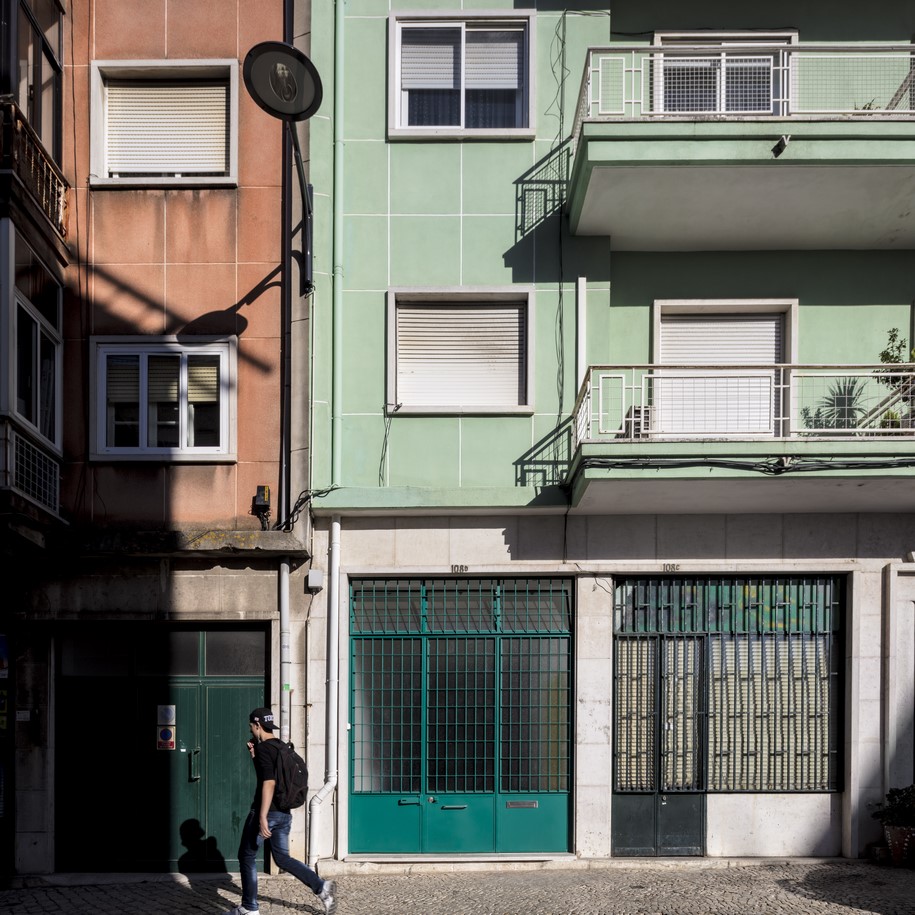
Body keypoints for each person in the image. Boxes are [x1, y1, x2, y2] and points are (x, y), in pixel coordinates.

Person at [224, 707, 336, 915]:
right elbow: (270, 774)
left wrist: (262, 816)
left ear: (258, 725)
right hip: (284, 813)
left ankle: (249, 908)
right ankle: (322, 888)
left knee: (247, 855)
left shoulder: (266, 748)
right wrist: (253, 757)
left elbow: (269, 783)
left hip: (268, 812)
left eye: (251, 727)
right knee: (283, 858)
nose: (251, 731)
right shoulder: (281, 747)